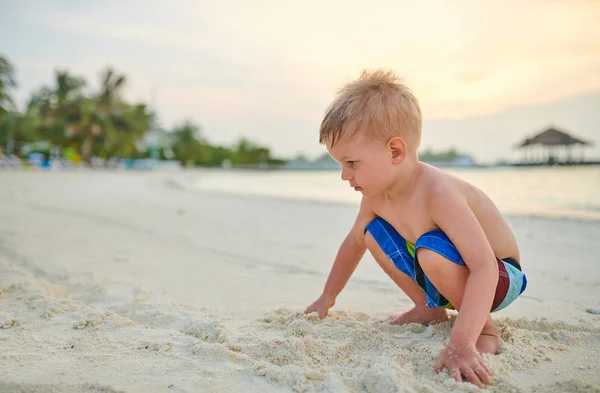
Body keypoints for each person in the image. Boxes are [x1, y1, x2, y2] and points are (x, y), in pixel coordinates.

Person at [304, 69, 527, 388]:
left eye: (351, 163)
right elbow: (354, 244)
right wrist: (327, 297)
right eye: (340, 165)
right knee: (370, 234)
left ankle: (486, 330)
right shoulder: (375, 197)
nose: (344, 175)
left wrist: (461, 342)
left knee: (430, 251)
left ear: (395, 151)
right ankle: (429, 308)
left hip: (499, 277)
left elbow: (483, 268)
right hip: (447, 271)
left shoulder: (439, 193)